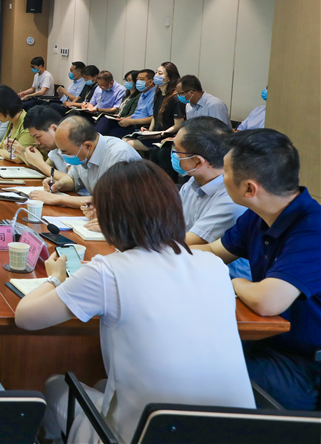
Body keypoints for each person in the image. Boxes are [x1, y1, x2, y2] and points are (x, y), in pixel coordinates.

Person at [15, 160, 255, 444]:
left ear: (109, 219)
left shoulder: (108, 271)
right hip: (236, 432)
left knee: (56, 386)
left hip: (147, 435)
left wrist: (55, 278)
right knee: (103, 384)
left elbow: (26, 318)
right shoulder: (212, 265)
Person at [192, 129, 321, 410]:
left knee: (200, 371)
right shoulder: (259, 215)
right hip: (270, 342)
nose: (221, 177)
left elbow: (267, 301)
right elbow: (214, 251)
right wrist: (153, 252)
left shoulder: (313, 229)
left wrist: (235, 282)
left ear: (249, 189)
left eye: (225, 172)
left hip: (308, 366)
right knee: (190, 346)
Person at [31, 115, 141, 209]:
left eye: (66, 152)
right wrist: (59, 184)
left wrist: (57, 199)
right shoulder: (83, 152)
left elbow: (110, 201)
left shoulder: (119, 155)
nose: (63, 155)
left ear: (87, 146)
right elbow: (74, 179)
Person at [173, 118, 247, 247]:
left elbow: (186, 243)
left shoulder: (231, 200)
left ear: (197, 161)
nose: (174, 155)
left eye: (177, 151)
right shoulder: (195, 180)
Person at [126, 62, 184, 155]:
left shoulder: (175, 98)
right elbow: (154, 117)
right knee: (125, 139)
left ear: (169, 78)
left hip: (166, 136)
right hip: (155, 134)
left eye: (160, 73)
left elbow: (178, 125)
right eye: (156, 72)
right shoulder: (158, 94)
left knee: (128, 144)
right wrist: (149, 131)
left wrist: (162, 133)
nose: (156, 76)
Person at [9, 104, 70, 182]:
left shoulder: (72, 145)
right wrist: (22, 152)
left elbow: (71, 180)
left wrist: (40, 163)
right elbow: (44, 169)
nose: (37, 142)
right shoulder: (55, 149)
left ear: (54, 129)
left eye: (38, 136)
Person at [97, 69, 155, 137]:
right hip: (130, 121)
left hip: (138, 125)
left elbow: (153, 118)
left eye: (141, 79)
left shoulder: (154, 95)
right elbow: (136, 113)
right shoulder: (142, 94)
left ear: (150, 82)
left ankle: (93, 140)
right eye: (137, 79)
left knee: (110, 132)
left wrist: (130, 121)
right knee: (104, 120)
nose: (138, 82)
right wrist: (125, 119)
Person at [0, 86, 34, 152]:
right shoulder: (11, 121)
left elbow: (22, 154)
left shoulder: (27, 123)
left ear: (3, 107)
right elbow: (3, 144)